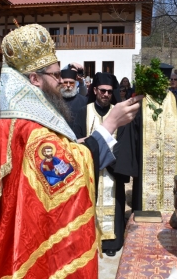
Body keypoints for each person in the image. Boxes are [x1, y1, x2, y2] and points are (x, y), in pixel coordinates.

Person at [0, 24, 143, 278]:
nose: (60, 82)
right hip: (34, 239)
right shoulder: (31, 128)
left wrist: (73, 145)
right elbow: (65, 175)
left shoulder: (17, 119)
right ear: (34, 79)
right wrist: (110, 123)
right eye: (55, 75)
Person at [114, 74, 177, 212]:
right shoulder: (141, 103)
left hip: (174, 166)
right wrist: (131, 167)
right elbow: (132, 135)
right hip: (145, 171)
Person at [73, 72, 125, 257]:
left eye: (110, 92)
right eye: (102, 91)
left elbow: (124, 142)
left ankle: (110, 243)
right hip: (89, 170)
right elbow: (76, 141)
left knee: (114, 202)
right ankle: (89, 240)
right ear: (95, 90)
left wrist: (111, 157)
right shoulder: (82, 112)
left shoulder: (118, 113)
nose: (106, 95)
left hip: (113, 169)